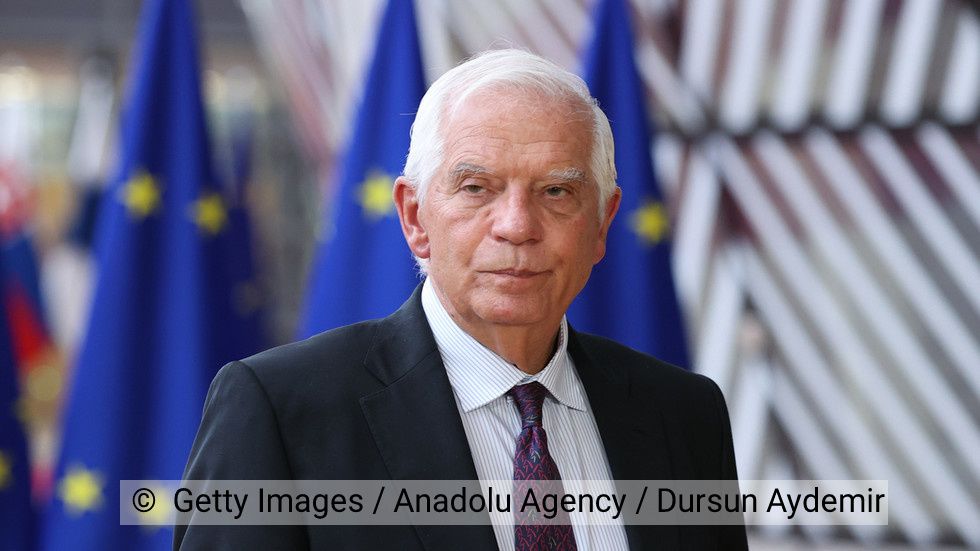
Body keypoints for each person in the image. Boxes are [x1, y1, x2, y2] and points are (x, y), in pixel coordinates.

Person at [175, 49, 746, 551]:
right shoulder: (281, 412)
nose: (517, 226)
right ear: (415, 217)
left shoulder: (684, 415)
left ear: (602, 223)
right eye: (476, 188)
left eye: (555, 191)